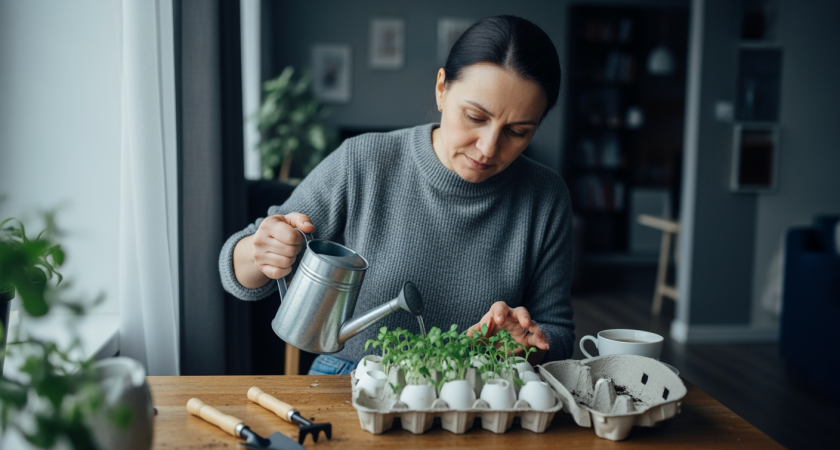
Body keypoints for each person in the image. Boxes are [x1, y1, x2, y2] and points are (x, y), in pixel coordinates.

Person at [220, 15, 574, 375]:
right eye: (474, 117)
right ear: (441, 89)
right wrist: (261, 249)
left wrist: (523, 346)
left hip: (475, 388)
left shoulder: (545, 198)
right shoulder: (364, 161)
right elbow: (236, 269)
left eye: (517, 131)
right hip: (350, 376)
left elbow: (558, 333)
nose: (487, 147)